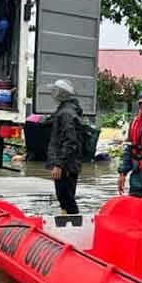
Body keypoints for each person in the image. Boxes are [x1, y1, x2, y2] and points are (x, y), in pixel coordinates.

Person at [46, 79, 84, 215]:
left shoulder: (66, 113)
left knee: (66, 198)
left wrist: (59, 165)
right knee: (64, 199)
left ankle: (75, 225)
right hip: (67, 165)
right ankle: (67, 221)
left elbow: (70, 141)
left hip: (66, 166)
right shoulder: (65, 110)